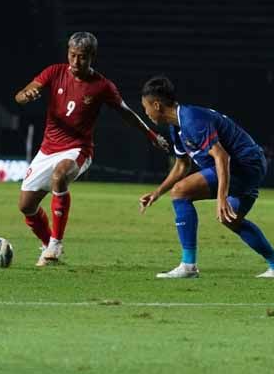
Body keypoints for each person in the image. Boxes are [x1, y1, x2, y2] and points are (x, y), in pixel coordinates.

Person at [14, 32, 169, 266]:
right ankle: (48, 246)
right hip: (48, 149)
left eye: (82, 57)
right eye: (72, 55)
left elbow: (126, 113)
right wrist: (27, 96)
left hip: (77, 149)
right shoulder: (54, 72)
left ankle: (56, 243)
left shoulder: (102, 86)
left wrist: (151, 134)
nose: (76, 62)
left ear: (92, 57)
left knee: (59, 176)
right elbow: (21, 95)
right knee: (26, 206)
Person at [138, 76, 274, 279]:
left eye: (145, 107)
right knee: (231, 219)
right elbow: (182, 165)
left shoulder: (191, 120)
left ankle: (188, 266)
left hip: (244, 165)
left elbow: (222, 156)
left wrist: (222, 197)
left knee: (181, 192)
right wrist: (157, 193)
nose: (146, 113)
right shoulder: (176, 126)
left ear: (156, 105)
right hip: (247, 167)